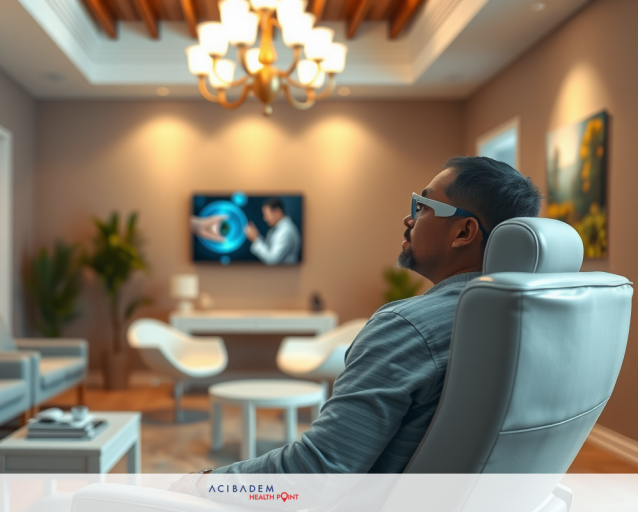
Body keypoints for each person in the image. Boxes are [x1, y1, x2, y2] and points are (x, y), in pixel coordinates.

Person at [172, 156, 541, 487]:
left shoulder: (408, 327)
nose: (408, 218)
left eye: (423, 205)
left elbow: (316, 472)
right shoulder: (532, 321)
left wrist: (205, 483)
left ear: (464, 232)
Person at [245, 197, 302, 265]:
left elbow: (272, 261)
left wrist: (255, 239)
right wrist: (256, 236)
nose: (264, 219)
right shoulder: (276, 229)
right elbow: (268, 249)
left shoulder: (286, 231)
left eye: (266, 215)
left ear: (278, 212)